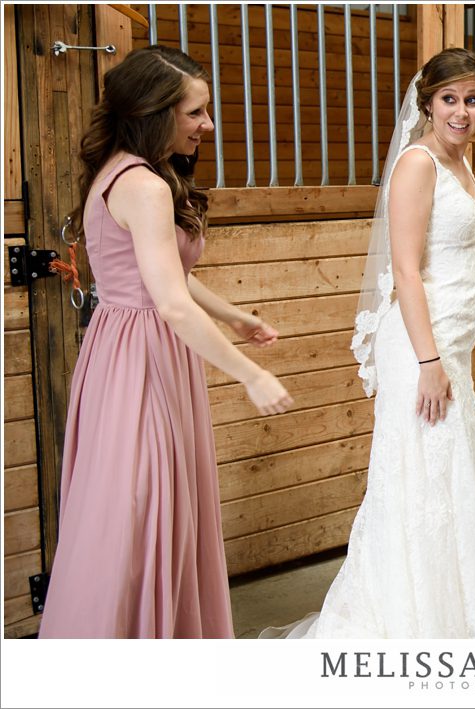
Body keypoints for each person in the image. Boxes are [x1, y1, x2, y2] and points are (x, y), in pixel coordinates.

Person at [38, 46, 293, 639]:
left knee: (133, 509)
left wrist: (233, 316)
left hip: (123, 348)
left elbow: (165, 274)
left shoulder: (121, 170)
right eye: (195, 113)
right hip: (143, 358)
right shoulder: (146, 186)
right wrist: (250, 373)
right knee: (143, 510)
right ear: (154, 112)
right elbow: (171, 303)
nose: (208, 125)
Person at [261, 48, 475, 638]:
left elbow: (466, 262)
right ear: (427, 103)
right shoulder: (417, 165)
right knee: (420, 478)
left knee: (450, 476)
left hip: (454, 343)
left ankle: (452, 614)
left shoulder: (463, 163)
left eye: (473, 100)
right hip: (421, 347)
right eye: (449, 99)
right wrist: (429, 362)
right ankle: (408, 623)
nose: (461, 112)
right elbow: (406, 271)